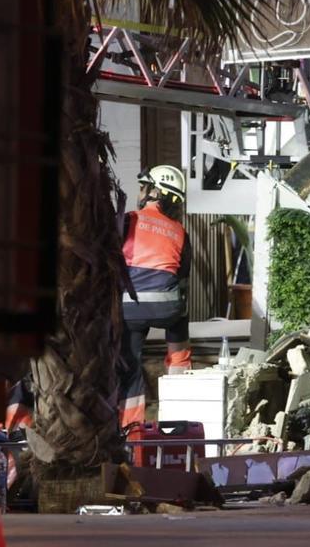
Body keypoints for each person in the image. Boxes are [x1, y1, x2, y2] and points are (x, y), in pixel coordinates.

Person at [118, 164, 191, 428]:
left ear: (154, 191)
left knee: (130, 361)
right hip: (168, 307)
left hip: (130, 307)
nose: (140, 192)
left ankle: (131, 426)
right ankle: (179, 391)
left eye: (143, 187)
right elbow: (182, 276)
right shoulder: (180, 231)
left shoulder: (128, 220)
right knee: (180, 316)